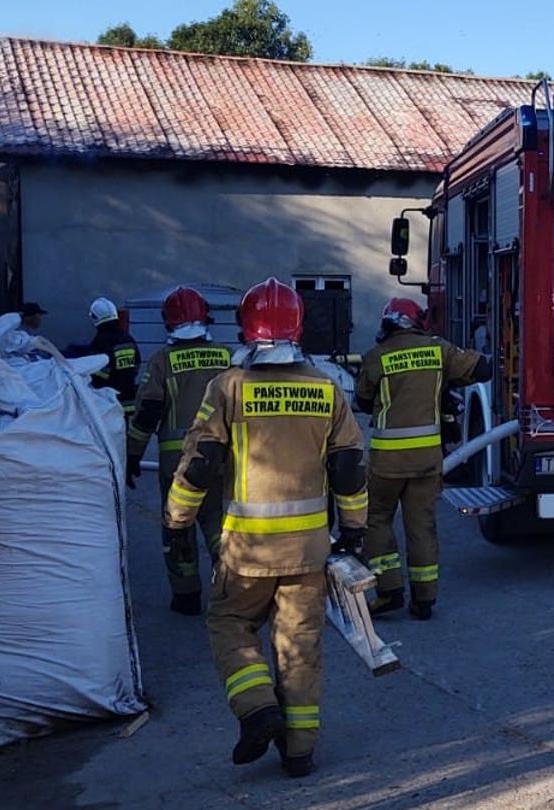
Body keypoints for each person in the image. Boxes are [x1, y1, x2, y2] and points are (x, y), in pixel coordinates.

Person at [165, 278, 369, 779]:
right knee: (300, 647)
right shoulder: (326, 389)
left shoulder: (229, 387)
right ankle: (299, 753)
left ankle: (257, 708)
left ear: (245, 327)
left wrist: (177, 522)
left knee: (229, 624)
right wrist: (355, 532)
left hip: (247, 551)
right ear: (298, 327)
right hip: (309, 552)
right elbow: (349, 469)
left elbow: (199, 465)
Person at [354, 297, 489, 621]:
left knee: (376, 519)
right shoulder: (438, 350)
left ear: (388, 324)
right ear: (416, 322)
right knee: (422, 525)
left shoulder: (376, 357)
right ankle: (424, 599)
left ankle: (389, 591)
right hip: (427, 461)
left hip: (387, 462)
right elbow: (482, 368)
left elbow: (362, 400)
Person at [128, 287, 233, 615]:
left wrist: (132, 453)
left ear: (168, 322)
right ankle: (229, 581)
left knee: (177, 523)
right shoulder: (226, 356)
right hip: (220, 455)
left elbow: (148, 411)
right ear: (206, 319)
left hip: (177, 460)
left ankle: (186, 594)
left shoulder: (162, 360)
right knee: (216, 517)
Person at [71, 297, 141, 417]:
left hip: (109, 404)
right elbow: (137, 365)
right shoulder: (128, 339)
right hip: (129, 402)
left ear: (96, 318)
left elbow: (98, 375)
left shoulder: (100, 342)